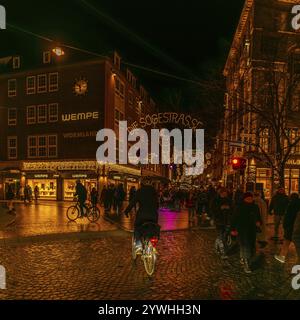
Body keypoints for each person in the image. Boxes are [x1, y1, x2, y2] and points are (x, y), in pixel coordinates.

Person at [124, 177, 159, 254]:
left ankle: (139, 244)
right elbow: (157, 204)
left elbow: (133, 202)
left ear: (142, 183)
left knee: (137, 227)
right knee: (153, 227)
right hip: (153, 215)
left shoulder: (140, 191)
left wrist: (126, 211)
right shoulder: (154, 191)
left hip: (142, 215)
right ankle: (153, 241)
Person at [231, 192, 262, 274]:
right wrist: (233, 229)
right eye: (248, 198)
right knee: (245, 245)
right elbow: (234, 218)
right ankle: (246, 264)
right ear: (244, 199)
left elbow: (258, 216)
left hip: (252, 229)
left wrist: (259, 222)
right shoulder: (239, 207)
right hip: (242, 229)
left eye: (251, 198)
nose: (250, 200)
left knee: (251, 245)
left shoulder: (255, 207)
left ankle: (243, 258)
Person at [274, 193, 300, 263]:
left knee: (288, 241)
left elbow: (288, 216)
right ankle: (282, 256)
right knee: (287, 241)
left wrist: (285, 225)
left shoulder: (291, 205)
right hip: (294, 226)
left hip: (291, 226)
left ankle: (282, 256)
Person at [212, 188, 233, 259]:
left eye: (225, 193)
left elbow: (233, 209)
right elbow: (212, 209)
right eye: (223, 193)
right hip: (219, 221)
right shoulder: (215, 200)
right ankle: (222, 252)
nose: (224, 194)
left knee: (224, 236)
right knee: (221, 236)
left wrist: (229, 208)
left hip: (227, 221)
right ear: (220, 193)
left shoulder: (229, 200)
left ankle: (216, 247)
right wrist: (220, 208)